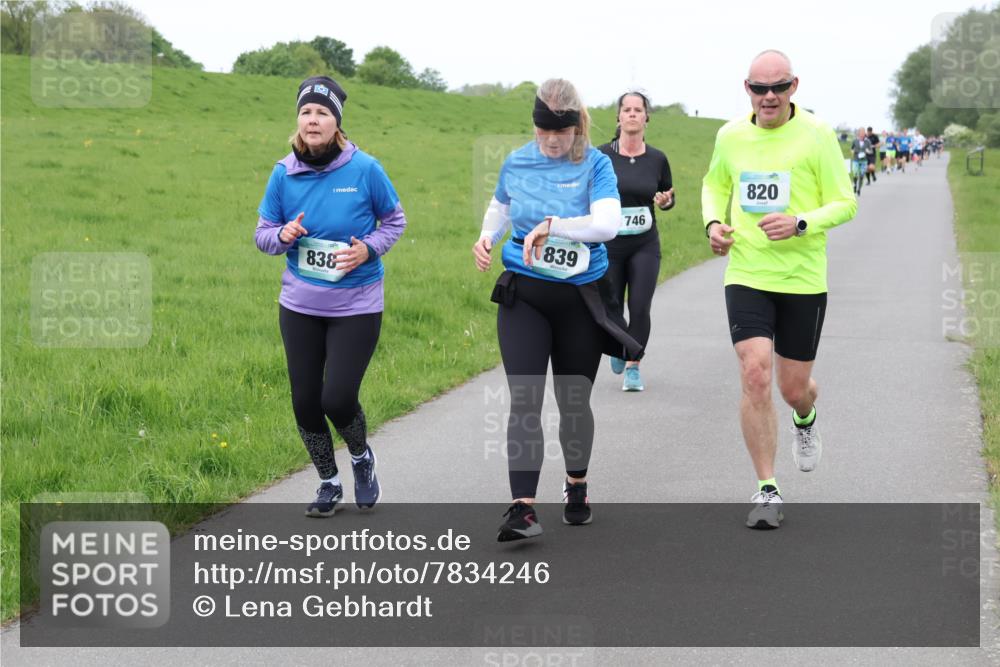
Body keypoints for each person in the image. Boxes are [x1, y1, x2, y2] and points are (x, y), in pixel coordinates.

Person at [473, 78, 636, 541]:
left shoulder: (596, 164)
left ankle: (576, 482)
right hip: (525, 295)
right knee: (525, 398)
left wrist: (554, 225)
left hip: (579, 300)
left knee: (573, 401)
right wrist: (487, 237)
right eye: (543, 130)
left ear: (576, 127)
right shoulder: (517, 160)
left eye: (560, 132)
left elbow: (608, 224)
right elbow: (501, 206)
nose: (550, 140)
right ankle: (523, 509)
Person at [701, 50, 857, 529]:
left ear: (794, 86)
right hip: (747, 273)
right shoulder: (730, 136)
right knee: (754, 373)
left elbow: (846, 202)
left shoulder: (817, 134)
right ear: (747, 88)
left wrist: (800, 222)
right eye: (759, 88)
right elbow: (714, 184)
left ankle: (805, 415)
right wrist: (713, 223)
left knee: (792, 389)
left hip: (802, 279)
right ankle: (767, 488)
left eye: (778, 87)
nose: (769, 97)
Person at [255, 75, 407, 517]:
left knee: (336, 399)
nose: (312, 120)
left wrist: (367, 249)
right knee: (305, 402)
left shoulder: (365, 170)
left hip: (356, 304)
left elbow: (394, 222)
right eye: (306, 112)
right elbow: (263, 234)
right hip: (300, 305)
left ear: (336, 122)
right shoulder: (283, 173)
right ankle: (328, 482)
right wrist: (282, 235)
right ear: (298, 121)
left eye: (322, 112)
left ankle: (361, 457)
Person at [598, 90, 674, 392]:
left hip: (644, 244)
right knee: (611, 306)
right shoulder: (601, 156)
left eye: (637, 110)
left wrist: (667, 201)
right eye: (626, 109)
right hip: (609, 245)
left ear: (646, 117)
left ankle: (633, 365)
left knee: (640, 306)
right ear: (618, 116)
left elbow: (667, 195)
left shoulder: (657, 159)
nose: (632, 114)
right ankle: (619, 345)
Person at [850, 128, 871, 195]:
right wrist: (852, 152)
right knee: (855, 173)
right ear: (859, 133)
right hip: (856, 159)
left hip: (864, 161)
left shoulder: (867, 141)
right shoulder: (855, 141)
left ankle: (859, 189)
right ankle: (855, 185)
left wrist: (868, 151)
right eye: (861, 132)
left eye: (863, 132)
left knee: (862, 175)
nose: (862, 134)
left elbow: (871, 151)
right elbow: (852, 149)